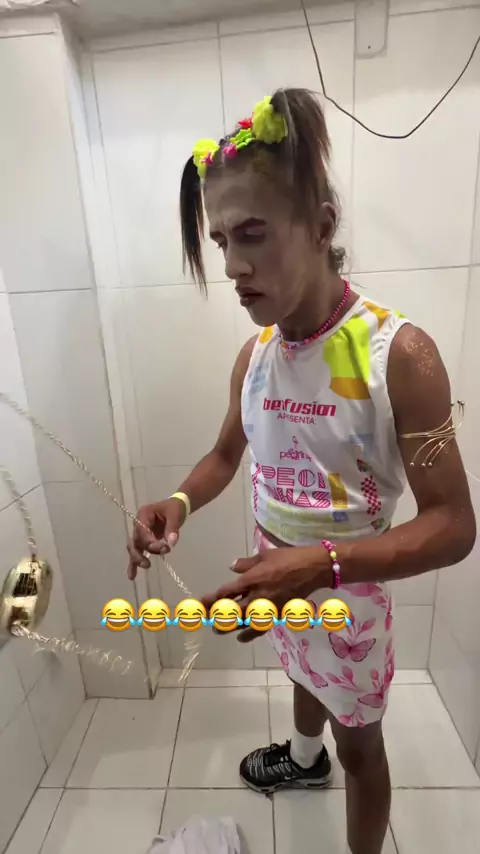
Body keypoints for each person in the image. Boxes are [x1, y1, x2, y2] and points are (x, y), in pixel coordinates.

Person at [127, 89, 476, 854]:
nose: (232, 265)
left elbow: (455, 526)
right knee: (299, 680)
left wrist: (319, 567)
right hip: (278, 582)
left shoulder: (398, 355)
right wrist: (178, 501)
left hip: (349, 600)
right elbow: (227, 455)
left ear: (321, 225)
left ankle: (341, 789)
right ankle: (303, 758)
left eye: (252, 233)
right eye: (221, 240)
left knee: (363, 749)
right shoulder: (254, 357)